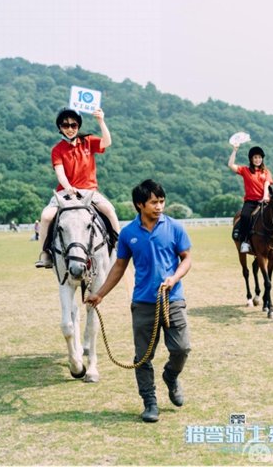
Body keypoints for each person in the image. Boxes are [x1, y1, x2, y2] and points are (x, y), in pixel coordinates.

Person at [85, 179, 192, 423]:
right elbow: (119, 267)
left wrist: (174, 278)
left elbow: (186, 259)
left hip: (172, 299)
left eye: (162, 201)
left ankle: (171, 376)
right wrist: (99, 293)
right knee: (143, 357)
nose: (159, 206)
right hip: (143, 303)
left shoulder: (175, 227)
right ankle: (149, 402)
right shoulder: (128, 233)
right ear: (139, 204)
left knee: (182, 348)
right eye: (154, 202)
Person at [35, 107, 120, 268]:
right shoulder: (57, 149)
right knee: (46, 216)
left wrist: (101, 120)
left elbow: (107, 142)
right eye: (65, 125)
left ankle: (119, 245)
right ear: (60, 127)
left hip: (89, 191)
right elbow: (60, 173)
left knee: (109, 209)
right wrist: (68, 188)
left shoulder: (88, 141)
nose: (69, 129)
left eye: (73, 125)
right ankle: (46, 253)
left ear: (78, 126)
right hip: (65, 191)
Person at [228, 144, 273, 253]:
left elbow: (266, 184)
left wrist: (265, 196)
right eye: (255, 157)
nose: (258, 160)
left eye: (260, 157)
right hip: (251, 201)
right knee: (245, 215)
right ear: (251, 159)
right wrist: (234, 150)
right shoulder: (245, 170)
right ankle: (245, 242)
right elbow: (230, 164)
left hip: (265, 199)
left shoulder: (266, 172)